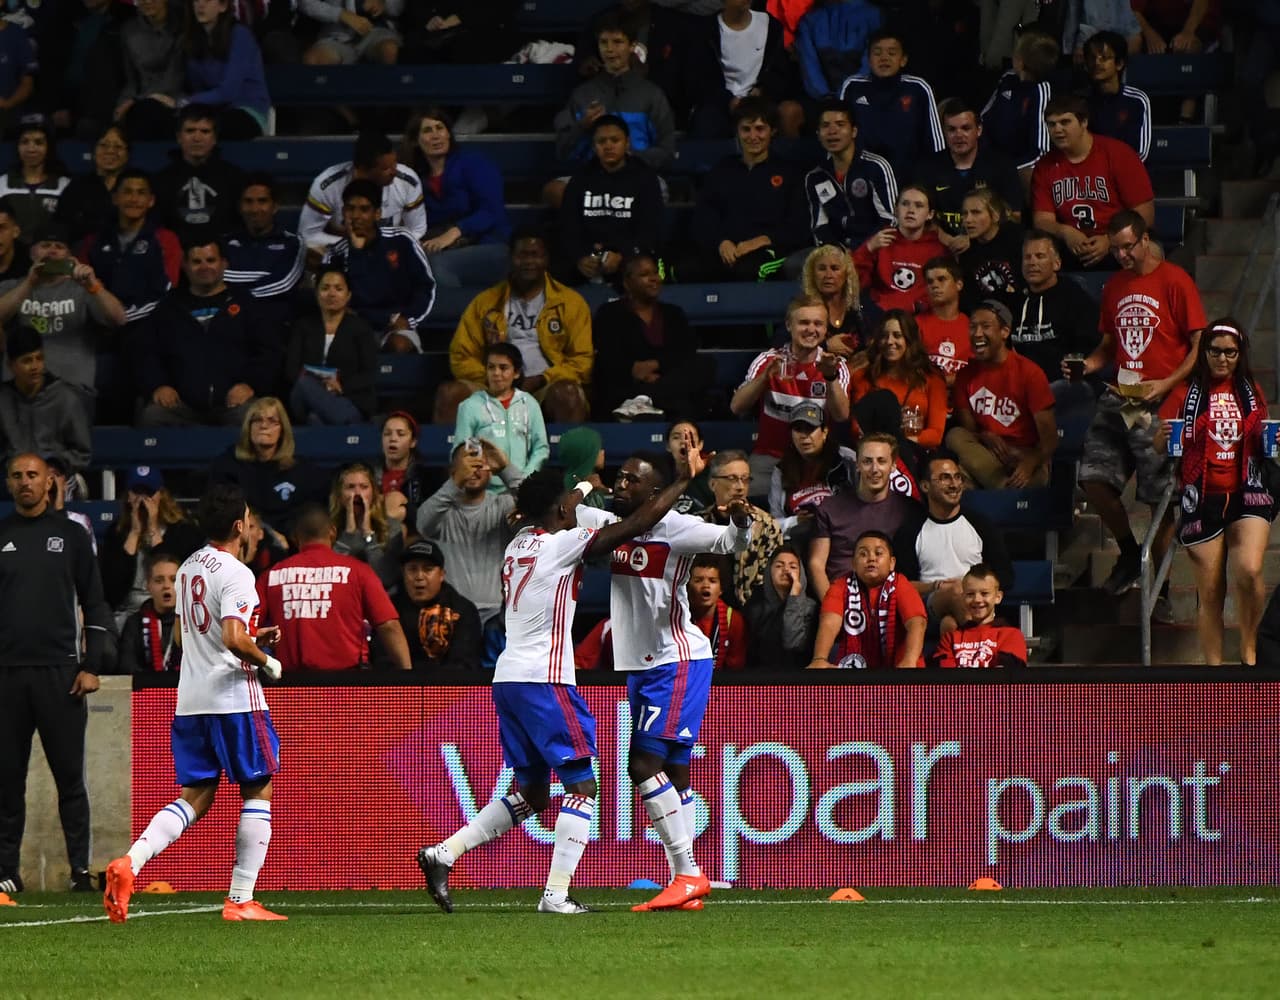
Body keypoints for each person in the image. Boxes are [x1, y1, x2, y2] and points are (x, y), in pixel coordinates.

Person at [417, 456, 704, 914]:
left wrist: (582, 489)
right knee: (582, 786)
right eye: (567, 505)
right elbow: (639, 522)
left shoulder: (518, 544)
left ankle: (442, 854)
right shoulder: (562, 545)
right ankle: (555, 894)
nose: (574, 509)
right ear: (557, 514)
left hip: (508, 678)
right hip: (544, 680)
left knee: (531, 792)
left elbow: (560, 503)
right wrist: (685, 480)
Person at [576, 449, 753, 911]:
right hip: (642, 665)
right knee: (675, 772)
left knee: (641, 766)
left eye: (631, 481)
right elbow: (567, 509)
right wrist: (579, 484)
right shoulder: (606, 520)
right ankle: (687, 883)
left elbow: (731, 544)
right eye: (618, 477)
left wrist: (740, 521)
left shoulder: (677, 528)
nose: (620, 485)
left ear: (655, 491)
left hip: (676, 659)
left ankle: (688, 873)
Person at [103, 483, 288, 924]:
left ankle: (131, 862)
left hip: (191, 699)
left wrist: (249, 636)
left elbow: (189, 633)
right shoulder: (239, 573)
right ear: (241, 526)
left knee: (197, 795)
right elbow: (230, 637)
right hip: (233, 697)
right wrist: (267, 660)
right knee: (258, 787)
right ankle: (240, 899)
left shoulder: (187, 568)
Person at [1075, 210, 1205, 603]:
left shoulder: (1175, 281)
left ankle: (1161, 586)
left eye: (1127, 247)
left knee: (1157, 497)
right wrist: (1086, 365)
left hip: (1163, 401)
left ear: (1145, 238)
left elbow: (1200, 347)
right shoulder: (1114, 285)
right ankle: (1130, 553)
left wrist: (1166, 383)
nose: (1121, 255)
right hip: (1121, 396)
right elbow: (1108, 346)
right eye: (1114, 249)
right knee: (1092, 478)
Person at [0, 453, 112, 896]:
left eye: (33, 475)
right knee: (8, 780)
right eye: (17, 476)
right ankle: (7, 872)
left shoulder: (71, 535)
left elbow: (97, 602)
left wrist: (92, 665)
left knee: (70, 779)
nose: (25, 482)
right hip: (7, 675)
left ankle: (80, 871)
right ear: (8, 484)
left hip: (61, 675)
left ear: (50, 483)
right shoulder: (2, 535)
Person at [1159, 320, 1273, 666]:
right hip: (1202, 494)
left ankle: (1250, 652)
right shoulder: (1184, 392)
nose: (1222, 359)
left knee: (1250, 571)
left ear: (1240, 355)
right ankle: (1214, 671)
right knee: (1210, 592)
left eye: (1230, 352)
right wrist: (1165, 434)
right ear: (1204, 352)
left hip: (1247, 491)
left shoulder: (1251, 390)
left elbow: (1264, 436)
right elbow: (1159, 442)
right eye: (1215, 351)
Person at [447, 229, 592, 425]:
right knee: (451, 394)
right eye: (522, 255)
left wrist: (542, 379)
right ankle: (456, 455)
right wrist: (495, 378)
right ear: (511, 258)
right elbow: (460, 356)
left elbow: (581, 361)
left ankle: (571, 455)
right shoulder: (486, 302)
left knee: (567, 394)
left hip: (545, 386)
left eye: (536, 255)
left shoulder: (571, 303)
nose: (529, 262)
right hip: (492, 385)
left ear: (547, 259)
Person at [137, 234, 271, 427]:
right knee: (152, 416)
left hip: (234, 405)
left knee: (255, 420)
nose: (204, 267)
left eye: (210, 260)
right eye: (196, 261)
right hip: (182, 407)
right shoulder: (169, 306)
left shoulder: (246, 303)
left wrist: (250, 384)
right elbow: (146, 352)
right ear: (185, 265)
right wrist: (158, 385)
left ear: (224, 263)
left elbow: (268, 351)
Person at [257, 502, 410, 672]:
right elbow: (389, 626)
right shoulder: (358, 572)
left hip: (291, 687)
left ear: (294, 536)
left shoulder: (271, 576)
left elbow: (245, 629)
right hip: (346, 685)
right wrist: (408, 679)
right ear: (333, 532)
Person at [0, 220, 127, 417]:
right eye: (45, 246)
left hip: (72, 390)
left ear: (69, 256)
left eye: (59, 247)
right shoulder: (12, 287)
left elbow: (119, 319)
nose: (52, 251)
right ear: (32, 253)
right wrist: (29, 284)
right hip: (20, 392)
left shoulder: (85, 290)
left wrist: (93, 286)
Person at [732, 295, 851, 496]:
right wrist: (763, 379)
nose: (811, 329)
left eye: (818, 324)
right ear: (789, 325)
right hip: (770, 458)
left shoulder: (836, 365)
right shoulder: (768, 360)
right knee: (740, 494)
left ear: (825, 330)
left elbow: (841, 415)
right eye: (804, 322)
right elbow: (737, 407)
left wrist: (830, 377)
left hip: (816, 461)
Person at [681, 97, 807, 283]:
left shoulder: (790, 173)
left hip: (769, 250)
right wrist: (721, 242)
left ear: (772, 131)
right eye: (746, 129)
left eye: (760, 129)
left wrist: (761, 241)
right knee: (684, 270)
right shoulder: (722, 170)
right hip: (726, 250)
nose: (753, 136)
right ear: (737, 132)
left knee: (748, 271)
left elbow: (798, 226)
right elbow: (704, 216)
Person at [893, 452, 1013, 635]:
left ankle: (962, 652)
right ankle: (981, 642)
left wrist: (972, 587)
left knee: (949, 625)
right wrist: (937, 586)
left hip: (976, 602)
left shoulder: (981, 525)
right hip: (928, 606)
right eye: (944, 478)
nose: (954, 484)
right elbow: (901, 585)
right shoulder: (910, 531)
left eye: (958, 477)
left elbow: (1005, 575)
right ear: (925, 486)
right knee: (955, 592)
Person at [1030, 95, 1155, 270]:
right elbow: (1042, 220)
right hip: (1070, 248)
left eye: (1065, 122)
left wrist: (1110, 239)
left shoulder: (1117, 154)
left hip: (1118, 244)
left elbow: (1145, 214)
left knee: (1151, 251)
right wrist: (1065, 232)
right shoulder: (1045, 166)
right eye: (1051, 124)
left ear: (1084, 123)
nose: (1057, 130)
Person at [551, 15, 675, 187]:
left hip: (639, 178)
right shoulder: (581, 95)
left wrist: (627, 157)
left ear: (632, 46)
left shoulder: (652, 94)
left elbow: (667, 151)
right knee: (554, 190)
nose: (609, 49)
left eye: (617, 42)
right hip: (592, 178)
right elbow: (562, 151)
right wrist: (582, 126)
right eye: (604, 42)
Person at [947, 300, 1058, 489]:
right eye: (972, 327)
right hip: (985, 454)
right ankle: (1002, 488)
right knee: (955, 437)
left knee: (1034, 480)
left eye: (986, 326)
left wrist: (1030, 462)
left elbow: (1050, 439)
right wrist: (985, 436)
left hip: (1023, 457)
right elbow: (968, 431)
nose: (977, 333)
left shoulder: (1029, 372)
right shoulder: (966, 374)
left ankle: (1002, 489)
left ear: (1005, 332)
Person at [592, 252, 714, 421]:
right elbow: (608, 355)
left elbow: (685, 351)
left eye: (655, 273)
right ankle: (644, 400)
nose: (653, 278)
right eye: (644, 275)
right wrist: (634, 370)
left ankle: (646, 398)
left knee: (706, 364)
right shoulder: (609, 313)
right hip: (628, 384)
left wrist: (656, 365)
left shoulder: (673, 313)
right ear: (627, 283)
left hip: (667, 380)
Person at [415, 439, 524, 628]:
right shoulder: (441, 511)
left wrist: (506, 468)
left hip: (497, 613)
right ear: (452, 472)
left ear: (490, 472)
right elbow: (422, 523)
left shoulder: (502, 506)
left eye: (480, 464)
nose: (473, 470)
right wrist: (456, 481)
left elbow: (538, 504)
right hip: (452, 614)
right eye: (466, 465)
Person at [398, 107, 510, 288]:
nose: (436, 135)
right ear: (416, 141)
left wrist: (453, 233)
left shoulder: (475, 163)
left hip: (490, 245)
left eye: (440, 128)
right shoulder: (417, 178)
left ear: (449, 134)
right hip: (447, 247)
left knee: (436, 265)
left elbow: (491, 211)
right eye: (427, 130)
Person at [323, 179, 436, 354]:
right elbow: (340, 302)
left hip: (397, 324)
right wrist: (357, 252)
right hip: (356, 327)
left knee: (399, 346)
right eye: (350, 209)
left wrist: (409, 319)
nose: (356, 216)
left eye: (364, 209)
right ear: (344, 212)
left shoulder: (401, 240)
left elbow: (426, 286)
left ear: (377, 213)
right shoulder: (335, 254)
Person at [807, 432, 918, 601]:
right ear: (857, 464)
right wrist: (832, 607)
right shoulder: (830, 507)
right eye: (867, 461)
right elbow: (816, 564)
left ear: (893, 466)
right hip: (839, 597)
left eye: (881, 461)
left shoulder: (908, 509)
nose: (874, 469)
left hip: (888, 602)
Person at [555, 115, 664, 287]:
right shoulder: (581, 178)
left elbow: (651, 230)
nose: (608, 146)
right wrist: (580, 257)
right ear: (594, 146)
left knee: (642, 269)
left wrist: (623, 255)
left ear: (627, 143)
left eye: (615, 140)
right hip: (588, 256)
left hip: (629, 257)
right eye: (601, 141)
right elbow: (569, 226)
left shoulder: (645, 178)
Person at [1010, 228, 1102, 427]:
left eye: (1040, 256)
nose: (1032, 262)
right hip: (1021, 388)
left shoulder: (1075, 297)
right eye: (1027, 257)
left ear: (1057, 263)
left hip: (1062, 385)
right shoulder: (1014, 301)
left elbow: (1087, 349)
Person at [208, 397, 329, 542]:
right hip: (243, 542)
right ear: (249, 426)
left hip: (292, 544)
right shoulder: (228, 465)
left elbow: (309, 515)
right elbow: (225, 514)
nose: (264, 425)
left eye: (272, 421)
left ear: (282, 429)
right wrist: (268, 533)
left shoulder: (302, 470)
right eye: (257, 420)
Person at [100, 465, 203, 626]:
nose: (142, 500)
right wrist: (134, 532)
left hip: (169, 612)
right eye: (137, 493)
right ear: (128, 496)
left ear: (161, 496)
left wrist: (153, 530)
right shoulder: (116, 533)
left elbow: (177, 575)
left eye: (148, 493)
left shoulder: (182, 531)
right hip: (127, 613)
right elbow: (111, 590)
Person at [808, 528, 926, 668]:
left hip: (901, 669)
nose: (871, 558)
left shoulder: (901, 584)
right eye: (863, 554)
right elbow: (829, 622)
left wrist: (910, 661)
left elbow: (917, 623)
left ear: (892, 563)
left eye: (878, 553)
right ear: (853, 564)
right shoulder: (840, 587)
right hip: (857, 673)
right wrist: (819, 658)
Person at [299, 130, 427, 257]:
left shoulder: (408, 181)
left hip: (391, 255)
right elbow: (308, 235)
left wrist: (384, 248)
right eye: (386, 168)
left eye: (394, 163)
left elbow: (417, 230)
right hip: (341, 255)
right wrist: (352, 246)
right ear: (362, 169)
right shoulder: (327, 186)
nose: (394, 172)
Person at [837, 27, 944, 179]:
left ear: (903, 60)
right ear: (868, 59)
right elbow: (838, 132)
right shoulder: (852, 86)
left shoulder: (918, 88)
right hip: (862, 178)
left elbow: (935, 143)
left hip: (908, 178)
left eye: (892, 53)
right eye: (877, 53)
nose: (884, 58)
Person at [81, 168, 182, 328]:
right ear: (115, 198)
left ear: (151, 200)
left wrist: (124, 316)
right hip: (100, 330)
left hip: (149, 329)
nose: (134, 199)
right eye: (127, 192)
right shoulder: (94, 241)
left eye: (141, 193)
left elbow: (167, 289)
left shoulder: (166, 239)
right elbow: (83, 287)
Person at [685, 0, 799, 138]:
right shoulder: (705, 30)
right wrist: (728, 101)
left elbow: (780, 74)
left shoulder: (771, 26)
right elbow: (700, 79)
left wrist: (762, 92)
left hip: (761, 101)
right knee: (707, 121)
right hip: (720, 103)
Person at [917, 98, 1023, 241]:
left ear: (978, 130)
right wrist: (946, 239)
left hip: (989, 246)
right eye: (952, 129)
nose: (959, 135)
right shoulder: (927, 168)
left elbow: (1015, 217)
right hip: (942, 247)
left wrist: (974, 238)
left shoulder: (1001, 166)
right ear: (944, 132)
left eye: (966, 128)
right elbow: (919, 217)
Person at [285, 265, 379, 425]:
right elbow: (291, 370)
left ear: (348, 295)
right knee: (303, 383)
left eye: (338, 288)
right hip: (305, 396)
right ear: (316, 293)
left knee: (315, 419)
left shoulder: (361, 328)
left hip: (347, 398)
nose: (331, 294)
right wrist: (319, 385)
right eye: (325, 288)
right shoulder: (303, 326)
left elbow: (369, 373)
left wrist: (341, 385)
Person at [802, 98, 897, 256]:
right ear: (818, 134)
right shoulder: (815, 177)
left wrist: (861, 250)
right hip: (836, 255)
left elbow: (890, 221)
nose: (832, 131)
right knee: (795, 264)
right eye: (826, 126)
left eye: (840, 125)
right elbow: (820, 226)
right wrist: (837, 252)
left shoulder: (876, 166)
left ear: (854, 131)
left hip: (875, 249)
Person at [454, 343, 549, 493]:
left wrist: (524, 480)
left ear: (516, 372)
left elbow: (541, 448)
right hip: (483, 492)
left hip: (522, 488)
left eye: (503, 368)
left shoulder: (529, 404)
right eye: (491, 367)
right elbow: (460, 451)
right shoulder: (470, 406)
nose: (496, 373)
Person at [849, 310, 948, 452]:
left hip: (917, 455)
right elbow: (856, 428)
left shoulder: (933, 379)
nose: (889, 342)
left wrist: (900, 442)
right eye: (884, 336)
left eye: (897, 336)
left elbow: (936, 434)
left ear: (909, 340)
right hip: (875, 454)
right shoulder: (864, 377)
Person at [223, 173, 307, 335]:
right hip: (231, 326)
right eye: (248, 202)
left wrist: (237, 297)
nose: (255, 209)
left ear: (275, 206)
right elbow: (217, 279)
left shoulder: (293, 244)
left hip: (275, 329)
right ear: (240, 207)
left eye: (262, 201)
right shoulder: (224, 243)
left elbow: (283, 285)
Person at [0, 326, 90, 475]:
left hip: (55, 478)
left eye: (39, 358)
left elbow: (82, 453)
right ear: (11, 365)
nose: (35, 366)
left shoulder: (65, 398)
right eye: (27, 361)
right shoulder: (3, 400)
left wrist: (55, 465)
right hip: (10, 481)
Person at [702, 449, 785, 606]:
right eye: (732, 479)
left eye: (745, 479)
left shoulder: (767, 525)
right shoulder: (700, 523)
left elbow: (770, 584)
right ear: (713, 484)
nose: (740, 487)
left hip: (751, 613)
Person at [852, 184, 947, 317]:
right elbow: (853, 282)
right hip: (880, 318)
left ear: (930, 214)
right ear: (896, 210)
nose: (911, 210)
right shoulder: (880, 240)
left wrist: (918, 306)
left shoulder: (937, 249)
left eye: (918, 206)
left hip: (920, 319)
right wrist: (868, 249)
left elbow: (944, 291)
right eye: (905, 204)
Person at [389, 538, 483, 671]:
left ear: (441, 575)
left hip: (449, 688)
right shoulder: (389, 611)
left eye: (427, 569)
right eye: (412, 569)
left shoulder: (463, 610)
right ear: (403, 573)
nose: (419, 576)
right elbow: (383, 661)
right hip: (398, 687)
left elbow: (465, 663)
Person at [182, 0, 271, 139]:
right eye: (196, 0)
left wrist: (187, 101)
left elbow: (228, 92)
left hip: (246, 110)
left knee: (222, 128)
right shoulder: (193, 40)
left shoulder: (240, 35)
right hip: (212, 112)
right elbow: (197, 88)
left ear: (222, 6)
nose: (200, 5)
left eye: (207, 0)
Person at [769, 400, 856, 539]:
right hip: (800, 540)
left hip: (842, 536)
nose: (804, 436)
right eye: (798, 429)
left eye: (810, 429)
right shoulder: (781, 470)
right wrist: (795, 521)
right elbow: (773, 524)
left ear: (824, 432)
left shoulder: (846, 459)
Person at [151, 105, 247, 233]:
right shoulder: (161, 180)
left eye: (205, 131)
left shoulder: (235, 178)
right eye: (190, 131)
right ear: (179, 137)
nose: (197, 138)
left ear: (215, 138)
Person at [978, 27, 1056, 180]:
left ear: (1021, 62)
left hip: (1016, 168)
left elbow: (1041, 151)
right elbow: (983, 117)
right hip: (990, 157)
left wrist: (1007, 170)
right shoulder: (1008, 78)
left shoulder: (1040, 91)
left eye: (1016, 52)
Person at [929, 563, 1028, 668]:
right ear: (962, 598)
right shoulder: (950, 638)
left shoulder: (1011, 635)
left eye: (984, 593)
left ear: (998, 597)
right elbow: (946, 679)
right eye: (970, 594)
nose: (977, 599)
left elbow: (1004, 678)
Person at [330, 461, 406, 591]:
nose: (357, 493)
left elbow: (385, 578)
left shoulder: (392, 528)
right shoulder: (327, 529)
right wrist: (348, 535)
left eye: (364, 487)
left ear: (374, 493)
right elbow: (331, 577)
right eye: (350, 487)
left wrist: (368, 535)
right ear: (339, 495)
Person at [115, 0, 184, 140]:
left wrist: (136, 101)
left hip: (174, 99)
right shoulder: (129, 30)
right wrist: (122, 105)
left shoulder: (183, 27)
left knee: (148, 112)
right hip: (140, 102)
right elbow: (131, 80)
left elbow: (174, 80)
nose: (146, 1)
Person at [743, 544, 818, 669]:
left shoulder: (811, 608)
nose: (786, 570)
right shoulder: (754, 607)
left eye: (793, 566)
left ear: (801, 573)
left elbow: (793, 643)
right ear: (769, 571)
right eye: (779, 565)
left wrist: (795, 597)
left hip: (800, 679)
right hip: (761, 679)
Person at [793, 0, 882, 102]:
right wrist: (826, 97)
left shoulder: (874, 15)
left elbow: (871, 62)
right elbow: (809, 65)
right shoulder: (810, 20)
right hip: (821, 102)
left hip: (865, 97)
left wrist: (847, 94)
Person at [1084, 30, 1152, 160]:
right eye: (1092, 58)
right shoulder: (1082, 100)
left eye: (1104, 58)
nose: (1097, 63)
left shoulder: (1136, 100)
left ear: (1119, 64)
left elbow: (1140, 152)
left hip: (1125, 172)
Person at [56, 124, 130, 242]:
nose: (110, 151)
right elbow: (62, 225)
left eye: (118, 146)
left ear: (127, 154)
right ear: (94, 151)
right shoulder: (77, 186)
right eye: (103, 145)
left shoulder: (136, 186)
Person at [0, 122, 69, 241]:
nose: (31, 148)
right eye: (25, 142)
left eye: (39, 142)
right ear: (17, 146)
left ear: (49, 147)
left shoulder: (65, 185)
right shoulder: (2, 184)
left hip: (49, 255)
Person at [955, 190, 1021, 313]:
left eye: (976, 212)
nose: (968, 220)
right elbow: (970, 299)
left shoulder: (1017, 238)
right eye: (965, 214)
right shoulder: (966, 251)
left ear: (995, 215)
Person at [118, 551, 182, 673]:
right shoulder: (134, 623)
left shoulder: (192, 624)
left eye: (173, 580)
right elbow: (126, 666)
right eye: (159, 580)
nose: (166, 586)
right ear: (148, 586)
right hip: (146, 689)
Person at [799, 243, 865, 357]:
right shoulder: (803, 309)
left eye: (835, 268)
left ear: (846, 275)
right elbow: (784, 346)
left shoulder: (859, 309)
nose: (828, 275)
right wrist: (825, 346)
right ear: (812, 275)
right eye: (822, 269)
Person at [916, 257, 971, 386]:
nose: (934, 285)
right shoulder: (915, 325)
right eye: (929, 282)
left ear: (959, 284)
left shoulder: (974, 326)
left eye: (941, 279)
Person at [374, 410, 435, 529]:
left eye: (400, 434)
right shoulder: (368, 475)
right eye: (387, 434)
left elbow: (432, 518)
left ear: (413, 442)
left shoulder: (428, 477)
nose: (393, 439)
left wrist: (406, 510)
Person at [687, 554, 747, 670]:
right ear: (688, 585)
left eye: (712, 581)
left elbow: (736, 668)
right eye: (698, 580)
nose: (705, 586)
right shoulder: (678, 617)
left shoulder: (734, 621)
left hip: (722, 685)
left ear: (721, 588)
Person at [300, 0, 403, 67]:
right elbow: (305, 3)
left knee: (390, 51)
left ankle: (386, 99)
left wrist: (384, 3)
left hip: (376, 32)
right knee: (313, 60)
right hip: (336, 36)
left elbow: (398, 8)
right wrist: (340, 14)